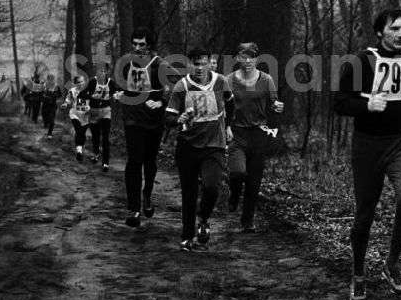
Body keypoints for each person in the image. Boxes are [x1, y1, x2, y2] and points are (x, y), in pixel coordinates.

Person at [334, 8, 401, 300]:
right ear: (380, 32)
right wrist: (366, 105)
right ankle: (357, 273)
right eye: (395, 29)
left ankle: (391, 264)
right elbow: (340, 103)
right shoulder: (363, 62)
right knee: (365, 214)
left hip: (400, 144)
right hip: (367, 147)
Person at [165, 45, 235, 252]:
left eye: (203, 63)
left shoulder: (221, 82)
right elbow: (167, 118)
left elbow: (231, 104)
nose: (199, 67)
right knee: (189, 192)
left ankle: (203, 219)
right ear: (190, 64)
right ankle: (187, 237)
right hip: (187, 145)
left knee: (211, 187)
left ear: (210, 62)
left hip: (214, 144)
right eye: (195, 63)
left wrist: (229, 125)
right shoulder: (182, 86)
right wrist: (178, 119)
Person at [114, 28, 169, 227]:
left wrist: (161, 102)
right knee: (134, 160)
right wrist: (118, 94)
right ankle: (134, 209)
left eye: (142, 44)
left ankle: (147, 194)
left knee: (150, 161)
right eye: (134, 43)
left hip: (153, 119)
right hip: (133, 118)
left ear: (149, 46)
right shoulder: (125, 63)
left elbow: (169, 89)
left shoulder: (159, 64)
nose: (137, 48)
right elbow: (120, 86)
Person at [227, 42, 283, 233]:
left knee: (253, 181)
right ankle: (234, 193)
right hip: (237, 133)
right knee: (237, 173)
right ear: (238, 59)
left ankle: (247, 220)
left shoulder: (266, 79)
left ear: (257, 59)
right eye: (243, 56)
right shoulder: (229, 80)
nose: (247, 60)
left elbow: (274, 101)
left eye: (251, 56)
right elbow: (221, 105)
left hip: (258, 134)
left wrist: (276, 106)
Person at [85, 64, 117, 172]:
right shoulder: (91, 82)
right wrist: (91, 96)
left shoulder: (111, 83)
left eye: (104, 71)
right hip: (94, 111)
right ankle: (96, 153)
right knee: (95, 136)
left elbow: (115, 93)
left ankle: (105, 163)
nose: (102, 73)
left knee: (105, 137)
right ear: (96, 72)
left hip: (106, 111)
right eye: (100, 70)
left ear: (107, 72)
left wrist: (116, 96)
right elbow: (82, 94)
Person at [61, 75, 90, 160]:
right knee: (78, 131)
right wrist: (65, 104)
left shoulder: (89, 90)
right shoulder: (72, 91)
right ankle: (79, 152)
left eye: (82, 81)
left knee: (83, 134)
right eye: (78, 82)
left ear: (84, 82)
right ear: (75, 84)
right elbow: (68, 100)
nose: (80, 83)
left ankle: (81, 147)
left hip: (86, 116)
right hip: (75, 114)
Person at [40, 74, 63, 139]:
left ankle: (50, 134)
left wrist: (55, 95)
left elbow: (60, 94)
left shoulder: (56, 86)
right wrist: (43, 97)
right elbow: (39, 94)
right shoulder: (43, 86)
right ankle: (45, 123)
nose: (51, 80)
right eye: (49, 79)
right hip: (45, 105)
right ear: (47, 79)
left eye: (52, 79)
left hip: (53, 105)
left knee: (51, 120)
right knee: (45, 118)